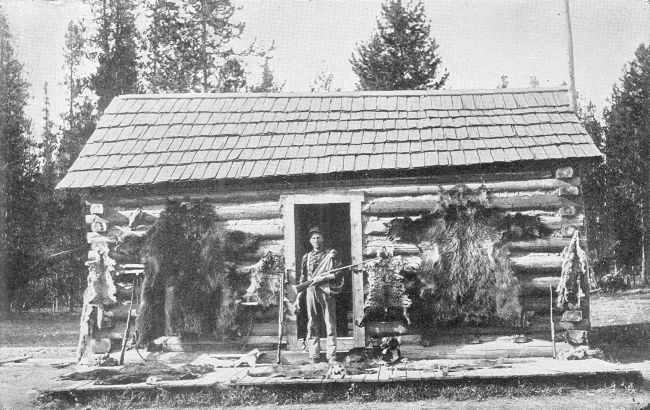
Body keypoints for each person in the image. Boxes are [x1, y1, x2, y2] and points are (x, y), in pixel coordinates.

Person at [296, 227, 343, 364]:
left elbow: (338, 273)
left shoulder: (331, 254)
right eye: (313, 238)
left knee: (330, 323)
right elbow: (303, 279)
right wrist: (297, 299)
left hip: (326, 290)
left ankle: (332, 355)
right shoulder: (306, 257)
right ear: (310, 241)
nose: (316, 241)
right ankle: (314, 355)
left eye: (318, 237)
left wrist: (323, 278)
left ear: (323, 239)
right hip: (310, 291)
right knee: (312, 323)